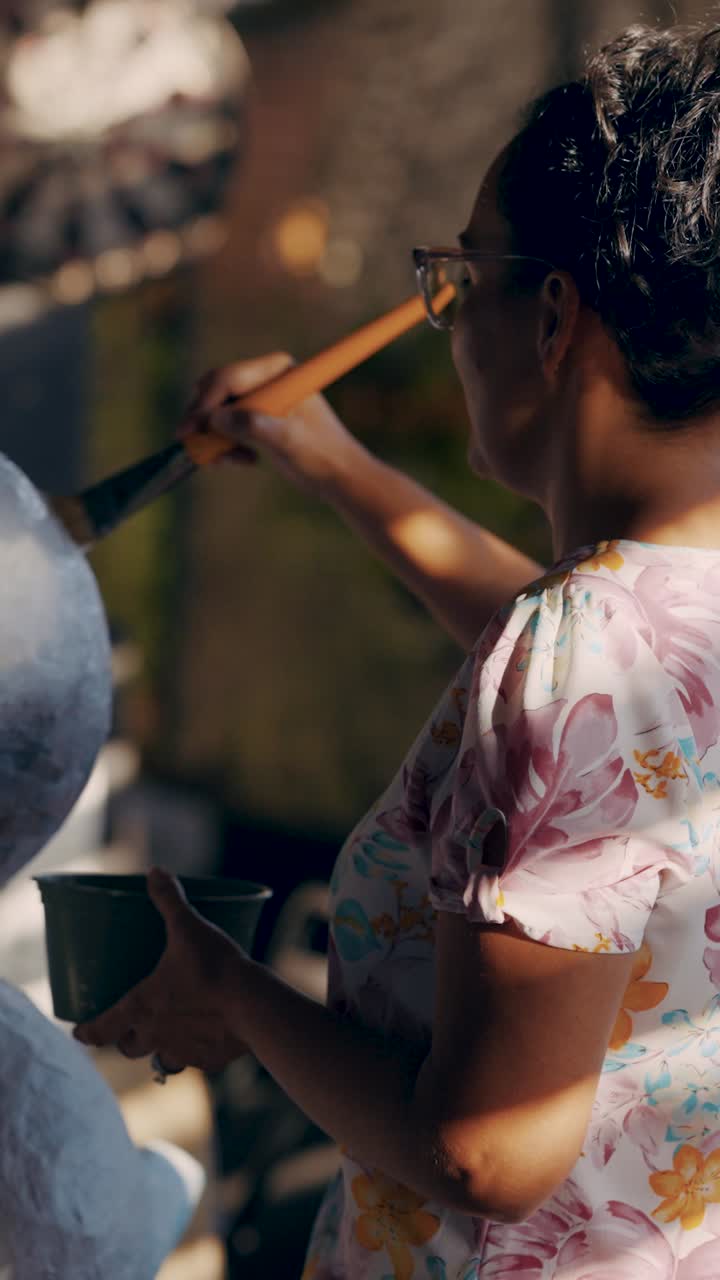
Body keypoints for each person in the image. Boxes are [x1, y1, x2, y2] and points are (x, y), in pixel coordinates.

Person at [75, 22, 720, 1277]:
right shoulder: (662, 627)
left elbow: (487, 1151)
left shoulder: (583, 647)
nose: (445, 319)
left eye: (457, 279)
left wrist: (236, 996)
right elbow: (590, 689)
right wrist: (333, 460)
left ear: (552, 320)